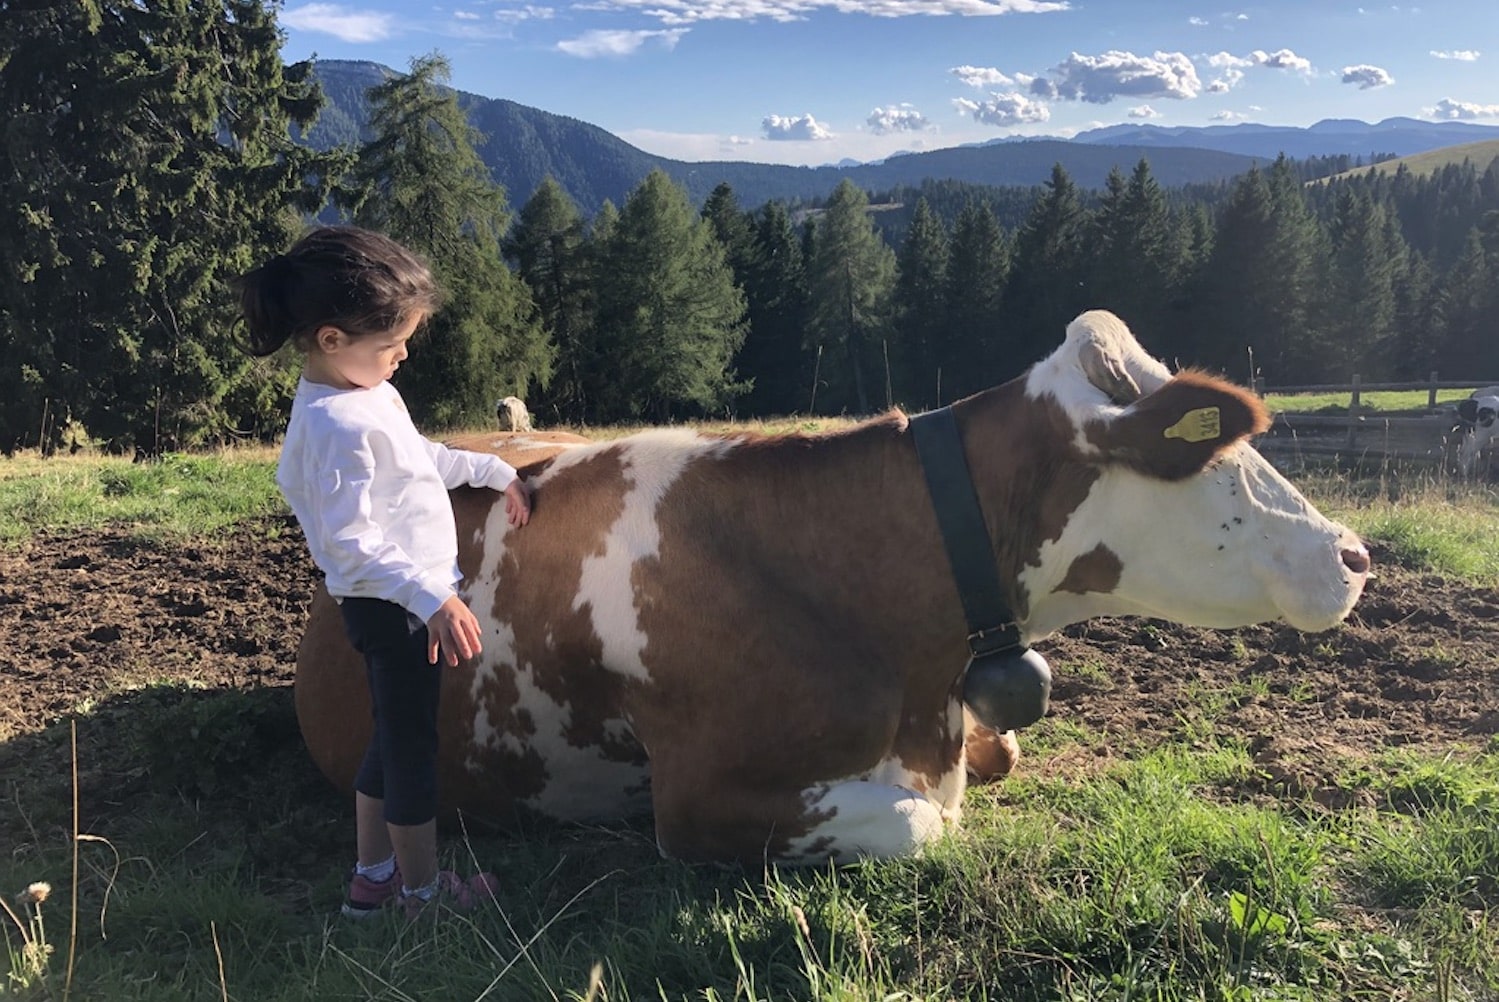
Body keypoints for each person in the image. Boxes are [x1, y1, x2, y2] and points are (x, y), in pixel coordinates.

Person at [235, 225, 531, 919]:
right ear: (332, 339)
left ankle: (371, 881)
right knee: (411, 754)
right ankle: (422, 895)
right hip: (390, 608)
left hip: (403, 600)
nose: (401, 356)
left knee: (390, 739)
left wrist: (490, 470)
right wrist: (431, 597)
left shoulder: (365, 395)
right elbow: (348, 544)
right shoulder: (333, 426)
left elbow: (416, 457)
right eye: (391, 344)